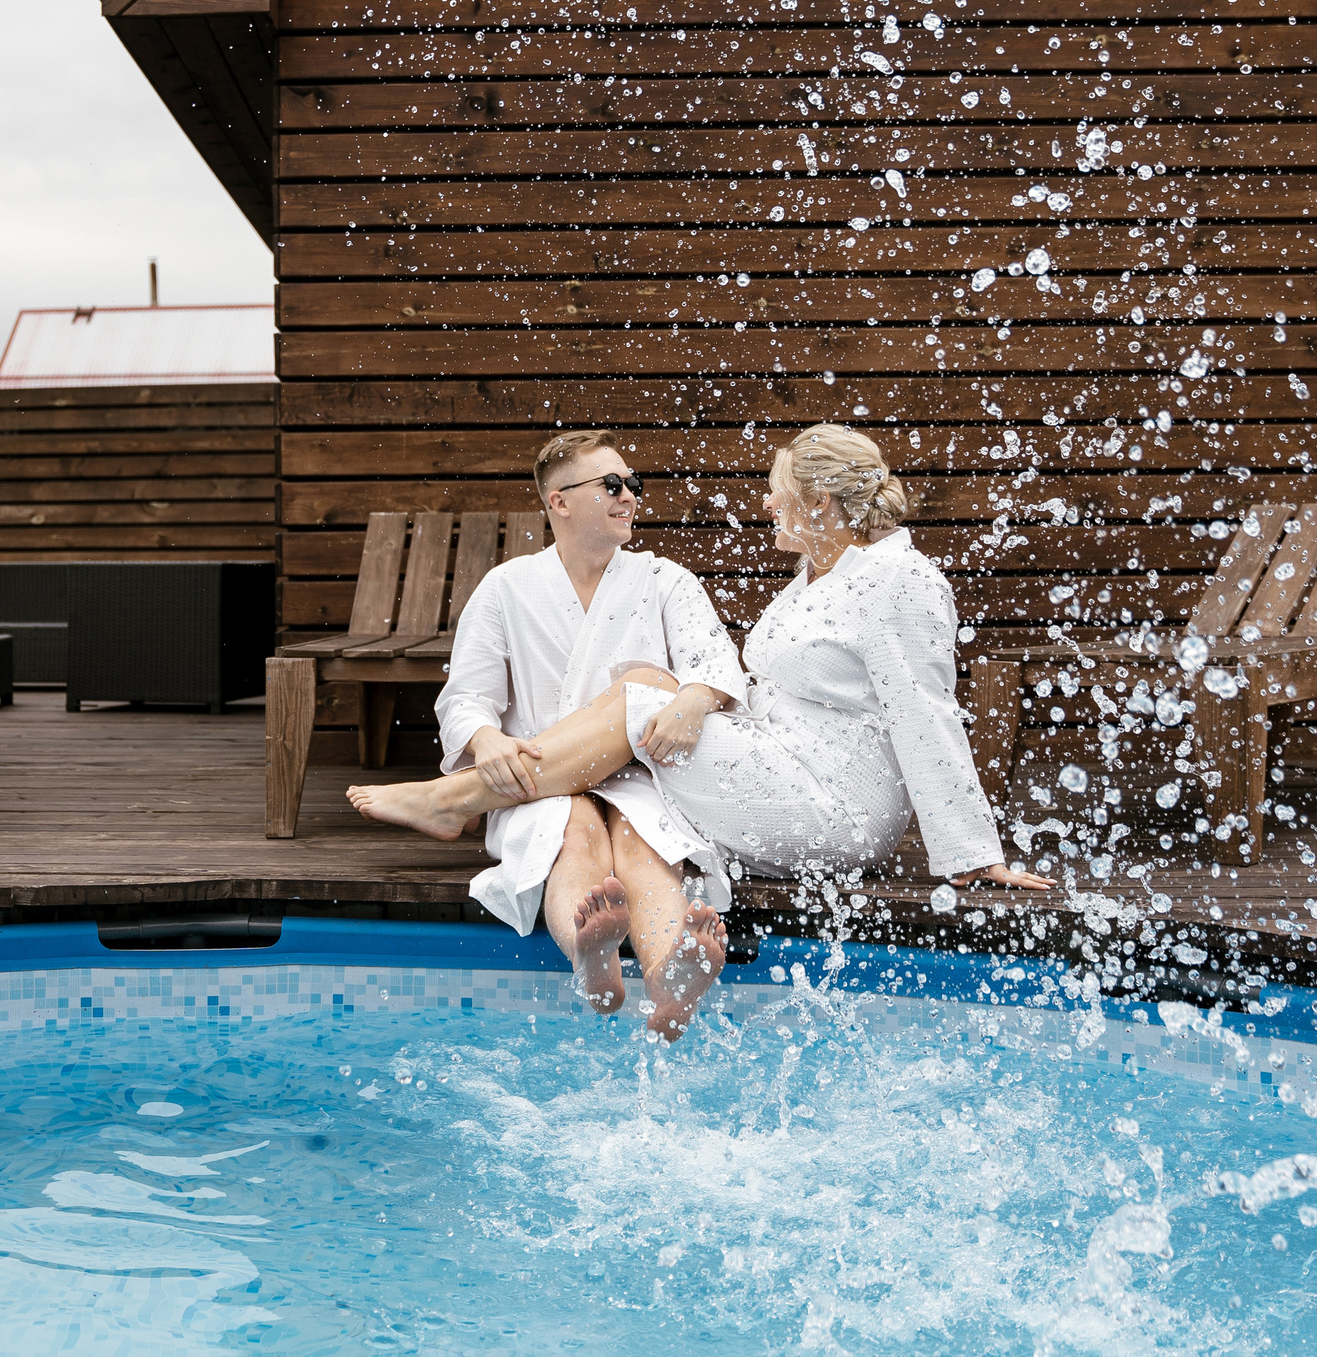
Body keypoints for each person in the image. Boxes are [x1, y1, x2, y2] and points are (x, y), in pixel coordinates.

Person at [349, 424, 1051, 903]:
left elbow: (925, 712)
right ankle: (501, 804)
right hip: (788, 767)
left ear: (820, 502)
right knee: (644, 686)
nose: (766, 501)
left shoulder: (898, 580)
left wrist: (972, 853)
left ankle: (455, 798)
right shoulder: (823, 572)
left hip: (837, 805)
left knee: (640, 702)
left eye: (778, 489)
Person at [355, 430, 749, 1040]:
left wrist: (694, 699)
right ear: (558, 501)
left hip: (641, 775)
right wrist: (485, 740)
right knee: (572, 832)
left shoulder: (663, 580)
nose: (629, 496)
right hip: (533, 779)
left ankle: (669, 980)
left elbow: (715, 664)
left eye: (633, 483)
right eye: (611, 485)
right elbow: (466, 696)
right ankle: (592, 957)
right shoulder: (506, 587)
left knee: (644, 846)